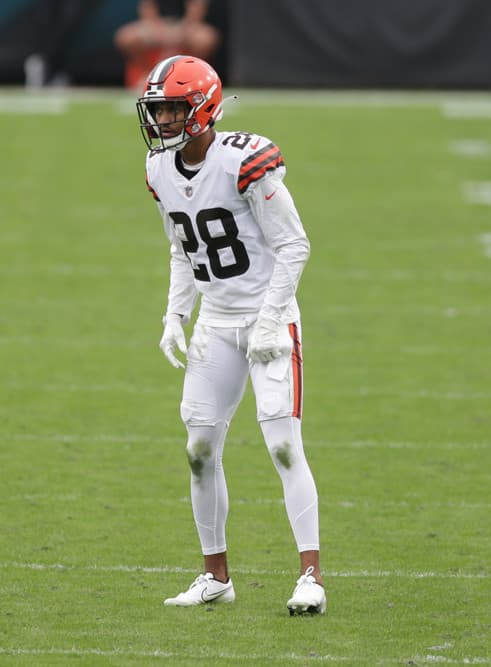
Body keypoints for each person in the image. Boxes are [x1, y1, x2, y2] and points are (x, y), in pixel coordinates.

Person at [136, 55, 326, 615]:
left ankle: (310, 576)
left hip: (269, 318)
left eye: (173, 108)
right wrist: (175, 315)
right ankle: (215, 576)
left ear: (203, 107)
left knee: (283, 443)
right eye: (159, 110)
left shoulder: (246, 160)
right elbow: (182, 246)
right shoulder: (158, 170)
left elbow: (294, 245)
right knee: (198, 450)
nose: (163, 120)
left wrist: (271, 318)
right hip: (215, 322)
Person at [114, 0, 220, 89]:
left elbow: (197, 8)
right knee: (128, 37)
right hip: (156, 26)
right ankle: (147, 76)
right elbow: (147, 8)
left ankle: (193, 77)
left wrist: (181, 33)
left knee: (204, 39)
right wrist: (161, 33)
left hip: (185, 25)